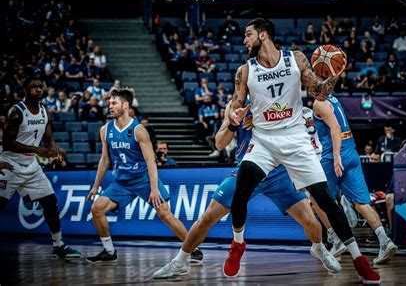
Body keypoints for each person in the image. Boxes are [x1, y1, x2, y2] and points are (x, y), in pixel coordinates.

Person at [227, 18, 380, 284]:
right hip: (263, 141)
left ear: (263, 35)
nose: (244, 40)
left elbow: (318, 93)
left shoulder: (295, 59)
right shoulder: (245, 71)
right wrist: (234, 116)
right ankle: (238, 243)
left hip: (296, 138)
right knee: (240, 191)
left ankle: (359, 259)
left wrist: (333, 76)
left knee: (325, 200)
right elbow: (235, 106)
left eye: (248, 34)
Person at [152, 103, 341, 279]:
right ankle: (180, 262)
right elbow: (219, 143)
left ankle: (319, 248)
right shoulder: (235, 105)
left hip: (279, 172)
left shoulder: (280, 97)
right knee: (207, 218)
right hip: (247, 170)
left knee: (312, 223)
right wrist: (234, 124)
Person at [85, 89, 201, 263]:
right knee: (97, 208)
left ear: (125, 105)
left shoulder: (139, 130)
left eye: (114, 103)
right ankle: (109, 251)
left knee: (165, 215)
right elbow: (104, 159)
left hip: (143, 179)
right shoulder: (105, 130)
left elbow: (151, 161)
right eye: (109, 103)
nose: (110, 106)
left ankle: (193, 249)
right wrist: (95, 185)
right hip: (122, 182)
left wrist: (154, 189)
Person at [311, 94, 398, 265]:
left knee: (316, 199)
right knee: (361, 203)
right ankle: (385, 241)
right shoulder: (333, 98)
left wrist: (336, 155)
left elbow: (335, 128)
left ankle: (335, 239)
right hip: (351, 153)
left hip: (333, 156)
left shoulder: (318, 103)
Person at [0, 79, 81, 259]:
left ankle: (59, 245)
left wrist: (52, 150)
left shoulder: (44, 110)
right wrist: (38, 150)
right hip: (9, 163)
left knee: (50, 202)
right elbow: (7, 143)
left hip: (31, 165)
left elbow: (48, 137)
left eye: (40, 86)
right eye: (34, 87)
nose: (38, 89)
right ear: (25, 90)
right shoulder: (16, 112)